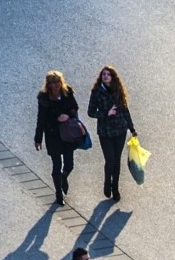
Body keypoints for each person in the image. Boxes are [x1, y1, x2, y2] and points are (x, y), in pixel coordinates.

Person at [87, 66, 137, 201]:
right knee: (110, 160)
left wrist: (132, 129)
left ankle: (115, 188)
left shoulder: (118, 90)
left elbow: (125, 110)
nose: (106, 76)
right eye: (103, 74)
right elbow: (91, 112)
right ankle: (107, 183)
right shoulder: (97, 92)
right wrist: (105, 114)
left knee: (117, 161)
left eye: (108, 74)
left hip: (120, 130)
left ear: (113, 77)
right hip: (105, 132)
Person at [34, 71, 79, 206]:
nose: (55, 85)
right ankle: (58, 193)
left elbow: (74, 107)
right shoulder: (44, 98)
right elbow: (41, 119)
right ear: (48, 85)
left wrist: (68, 115)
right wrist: (38, 138)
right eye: (52, 83)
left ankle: (63, 177)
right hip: (53, 135)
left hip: (67, 134)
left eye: (57, 82)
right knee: (56, 165)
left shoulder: (67, 92)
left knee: (69, 164)